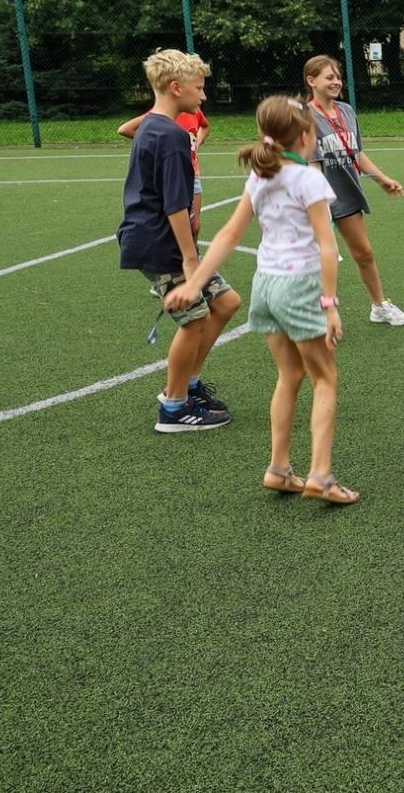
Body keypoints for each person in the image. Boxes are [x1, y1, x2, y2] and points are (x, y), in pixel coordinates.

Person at [165, 96, 358, 504]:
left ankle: (279, 468)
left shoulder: (260, 177)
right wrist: (330, 303)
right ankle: (320, 474)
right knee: (325, 378)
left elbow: (228, 236)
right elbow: (326, 247)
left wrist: (193, 281)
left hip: (266, 286)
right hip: (300, 287)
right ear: (306, 136)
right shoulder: (308, 180)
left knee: (289, 376)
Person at [117, 49, 241, 433]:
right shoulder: (169, 135)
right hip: (160, 244)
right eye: (199, 88)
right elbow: (174, 205)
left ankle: (187, 384)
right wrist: (190, 260)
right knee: (193, 320)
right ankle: (173, 409)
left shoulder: (153, 125)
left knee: (226, 302)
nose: (203, 96)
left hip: (160, 238)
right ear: (175, 88)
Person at [303, 55, 404, 327]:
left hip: (347, 193)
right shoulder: (304, 116)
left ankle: (379, 306)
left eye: (338, 77)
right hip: (318, 199)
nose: (336, 81)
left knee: (364, 253)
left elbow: (356, 153)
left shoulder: (346, 111)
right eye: (329, 77)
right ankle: (316, 315)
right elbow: (312, 164)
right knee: (320, 259)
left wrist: (381, 178)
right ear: (311, 81)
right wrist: (320, 205)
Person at [119, 104, 209, 239]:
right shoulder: (161, 115)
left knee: (194, 225)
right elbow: (125, 129)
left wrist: (196, 144)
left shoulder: (195, 111)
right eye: (197, 88)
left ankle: (194, 255)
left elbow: (205, 126)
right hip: (171, 174)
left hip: (192, 173)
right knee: (172, 222)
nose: (202, 96)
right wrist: (153, 142)